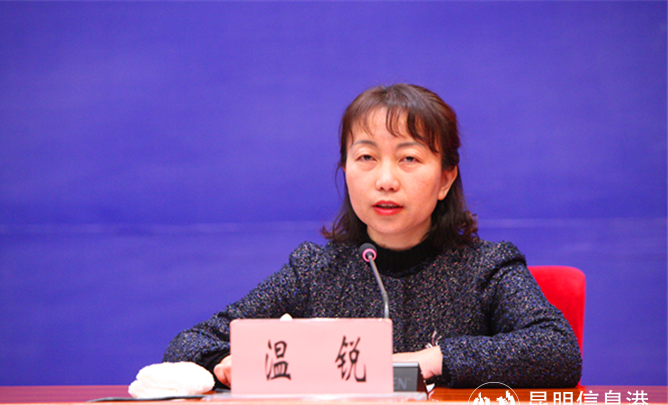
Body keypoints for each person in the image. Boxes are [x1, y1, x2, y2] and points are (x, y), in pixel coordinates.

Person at [163, 84, 582, 388]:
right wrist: (226, 362)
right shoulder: (314, 271)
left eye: (409, 158)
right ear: (345, 171)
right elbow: (188, 344)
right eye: (366, 157)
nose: (385, 180)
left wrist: (431, 360)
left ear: (445, 179)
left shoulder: (485, 268)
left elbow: (557, 351)